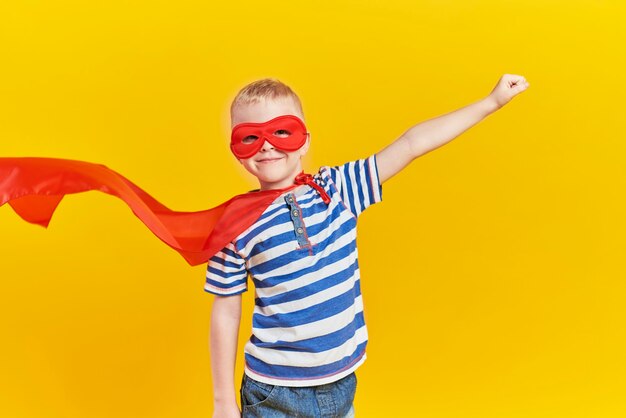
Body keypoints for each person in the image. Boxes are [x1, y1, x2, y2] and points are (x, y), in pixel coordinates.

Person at [206, 75, 529, 418]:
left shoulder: (339, 190)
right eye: (251, 137)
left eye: (281, 132)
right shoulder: (234, 226)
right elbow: (225, 313)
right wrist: (223, 401)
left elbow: (411, 144)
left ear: (304, 141)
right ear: (237, 151)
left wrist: (491, 102)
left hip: (341, 381)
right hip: (273, 391)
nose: (267, 145)